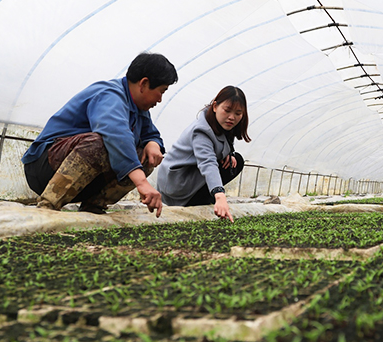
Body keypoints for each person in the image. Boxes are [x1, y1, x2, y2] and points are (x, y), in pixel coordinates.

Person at [21, 52, 177, 217]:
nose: (160, 99)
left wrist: (153, 143)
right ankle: (48, 206)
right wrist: (142, 183)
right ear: (144, 83)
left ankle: (93, 206)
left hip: (83, 179)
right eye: (161, 91)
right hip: (44, 167)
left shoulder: (139, 109)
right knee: (100, 143)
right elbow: (116, 135)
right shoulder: (109, 95)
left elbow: (150, 133)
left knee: (145, 157)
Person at [156, 86, 250, 222]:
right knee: (222, 166)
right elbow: (207, 162)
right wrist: (219, 195)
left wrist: (228, 154)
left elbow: (222, 146)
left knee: (236, 161)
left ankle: (203, 199)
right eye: (227, 110)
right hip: (177, 182)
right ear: (215, 106)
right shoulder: (201, 130)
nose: (232, 117)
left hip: (191, 175)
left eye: (238, 113)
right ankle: (199, 200)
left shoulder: (224, 126)